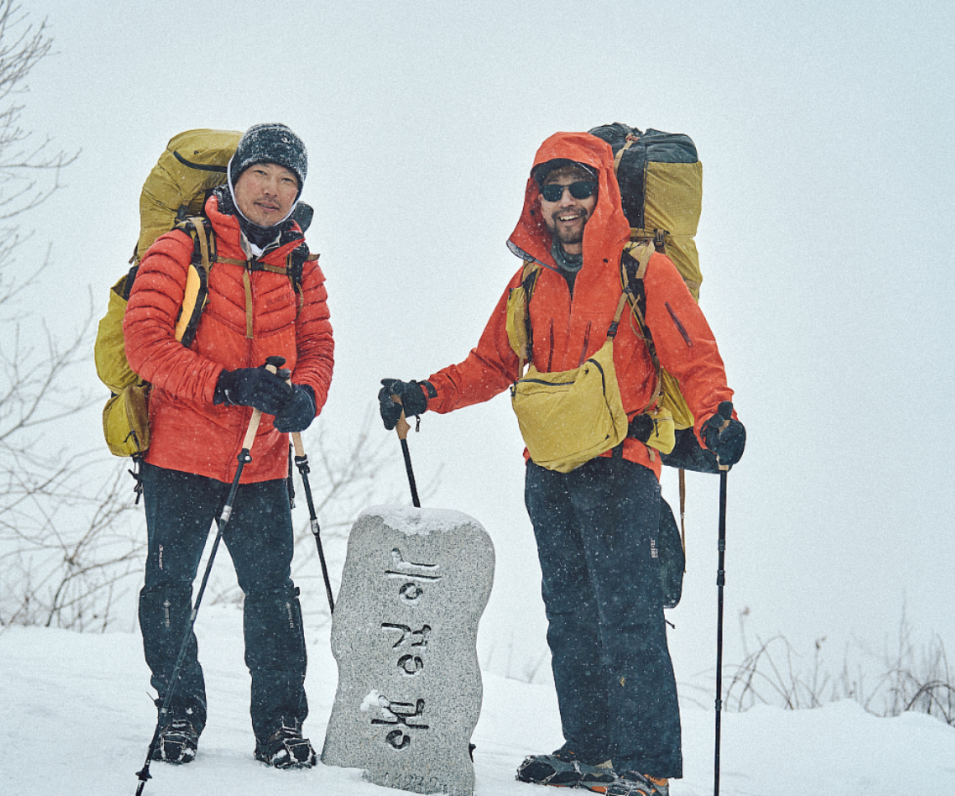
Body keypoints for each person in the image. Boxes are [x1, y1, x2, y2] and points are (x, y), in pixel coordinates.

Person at [377, 131, 745, 796]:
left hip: (622, 462)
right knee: (569, 613)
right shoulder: (530, 281)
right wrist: (423, 394)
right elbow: (490, 364)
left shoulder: (642, 270)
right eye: (553, 190)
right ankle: (592, 753)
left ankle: (647, 766)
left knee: (629, 614)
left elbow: (693, 351)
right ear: (537, 200)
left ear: (602, 192)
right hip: (548, 470)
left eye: (579, 187)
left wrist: (719, 415)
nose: (566, 201)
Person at [123, 123, 333, 770]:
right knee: (168, 587)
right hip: (178, 455)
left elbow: (319, 350)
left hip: (264, 459)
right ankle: (177, 714)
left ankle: (279, 726)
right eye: (261, 175)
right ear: (235, 178)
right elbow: (145, 343)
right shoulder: (180, 247)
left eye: (286, 181)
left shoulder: (302, 263)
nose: (272, 191)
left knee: (272, 594)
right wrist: (223, 383)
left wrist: (306, 397)